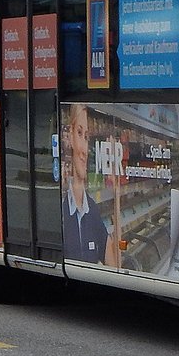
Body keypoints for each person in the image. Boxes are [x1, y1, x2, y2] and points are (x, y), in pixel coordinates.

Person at [62, 103, 115, 264]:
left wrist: (117, 192)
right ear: (70, 136)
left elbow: (115, 268)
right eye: (79, 133)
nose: (85, 149)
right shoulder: (60, 207)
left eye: (87, 137)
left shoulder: (92, 209)